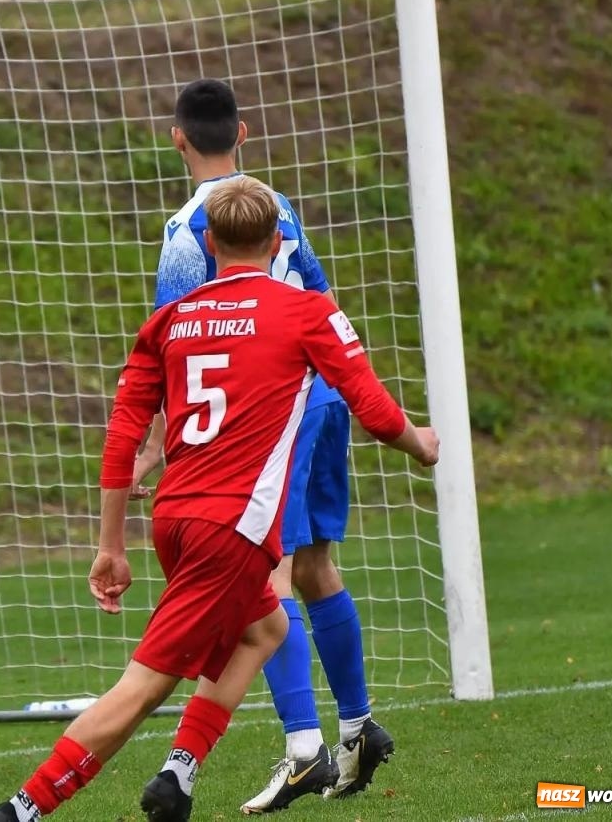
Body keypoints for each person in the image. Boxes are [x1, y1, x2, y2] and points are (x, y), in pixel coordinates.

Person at [0, 176, 438, 822]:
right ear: (278, 240)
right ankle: (23, 808)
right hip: (234, 528)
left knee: (266, 626)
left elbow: (124, 436)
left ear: (210, 245)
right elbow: (369, 407)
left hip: (173, 517)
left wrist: (111, 545)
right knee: (145, 684)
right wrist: (421, 443)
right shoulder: (304, 310)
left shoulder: (168, 321)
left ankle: (180, 773)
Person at [141, 79, 392, 810]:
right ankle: (358, 727)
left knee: (266, 579)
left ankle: (304, 748)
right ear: (242, 134)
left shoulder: (190, 227)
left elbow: (178, 344)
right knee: (315, 567)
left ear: (178, 138)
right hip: (321, 391)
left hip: (266, 412)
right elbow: (318, 298)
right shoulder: (276, 208)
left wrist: (160, 442)